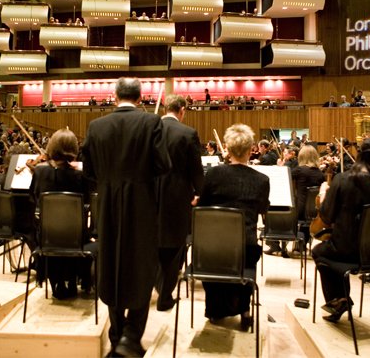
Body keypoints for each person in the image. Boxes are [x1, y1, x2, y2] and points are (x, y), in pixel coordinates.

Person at [81, 77, 171, 358]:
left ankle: (117, 335)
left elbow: (88, 170)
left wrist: (111, 181)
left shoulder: (96, 126)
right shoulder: (151, 123)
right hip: (142, 205)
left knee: (111, 265)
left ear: (114, 95)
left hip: (107, 205)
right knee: (142, 267)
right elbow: (163, 165)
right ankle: (131, 337)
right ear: (140, 98)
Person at [197, 124, 270, 329]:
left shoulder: (213, 175)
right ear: (250, 150)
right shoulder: (262, 180)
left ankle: (216, 310)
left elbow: (203, 206)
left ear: (227, 150)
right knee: (246, 261)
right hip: (246, 248)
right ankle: (244, 309)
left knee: (216, 259)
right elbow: (262, 208)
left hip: (214, 249)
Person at [312, 138, 370, 323]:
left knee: (319, 252)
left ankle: (338, 299)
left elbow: (327, 217)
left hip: (347, 250)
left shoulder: (342, 179)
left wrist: (324, 197)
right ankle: (341, 299)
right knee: (333, 251)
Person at [154, 95, 204, 311]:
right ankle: (165, 295)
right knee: (175, 246)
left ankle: (157, 284)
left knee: (153, 240)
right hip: (178, 195)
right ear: (182, 110)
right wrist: (200, 193)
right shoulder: (188, 133)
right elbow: (196, 170)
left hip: (151, 194)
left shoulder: (150, 129)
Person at [29, 128, 89, 299]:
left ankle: (56, 282)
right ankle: (72, 280)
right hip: (75, 237)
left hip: (48, 237)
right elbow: (86, 203)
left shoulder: (40, 172)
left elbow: (33, 198)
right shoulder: (80, 175)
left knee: (47, 229)